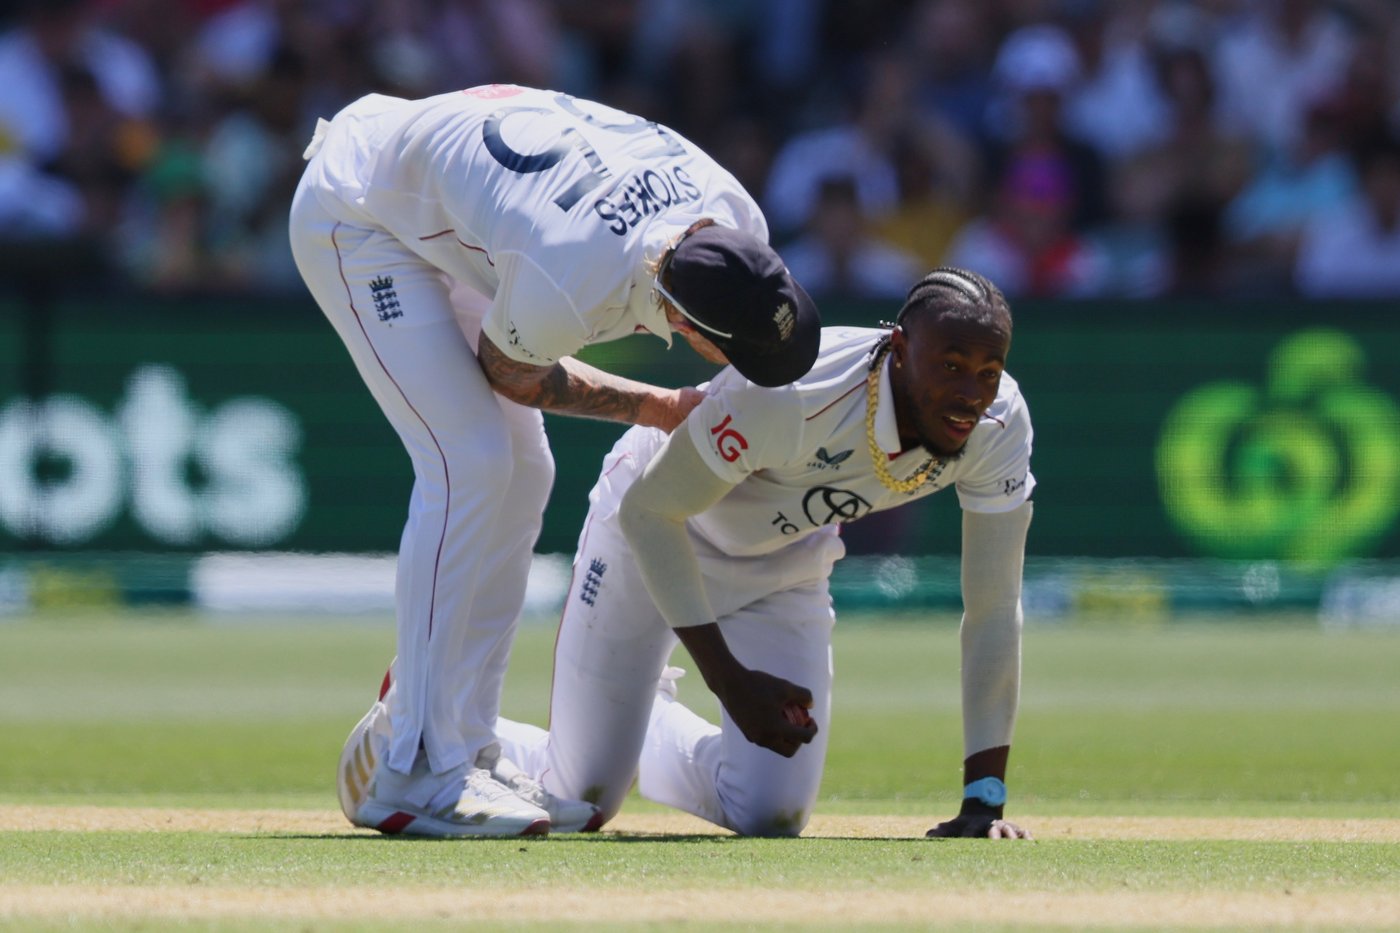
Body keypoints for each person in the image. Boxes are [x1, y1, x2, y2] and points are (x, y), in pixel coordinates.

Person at [290, 84, 821, 838]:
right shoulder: (569, 283)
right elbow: (512, 373)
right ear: (683, 323)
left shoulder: (733, 211)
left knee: (526, 469)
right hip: (363, 210)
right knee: (469, 461)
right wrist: (657, 404)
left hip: (463, 206)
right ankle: (410, 767)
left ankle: (469, 744)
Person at [496, 266, 1035, 838]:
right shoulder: (794, 392)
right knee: (585, 798)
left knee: (769, 815)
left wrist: (984, 800)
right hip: (656, 529)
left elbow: (994, 609)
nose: (970, 394)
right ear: (898, 349)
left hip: (784, 560)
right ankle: (434, 727)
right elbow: (649, 513)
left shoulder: (1000, 424)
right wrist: (727, 681)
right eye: (950, 366)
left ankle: (632, 718)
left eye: (988, 372)